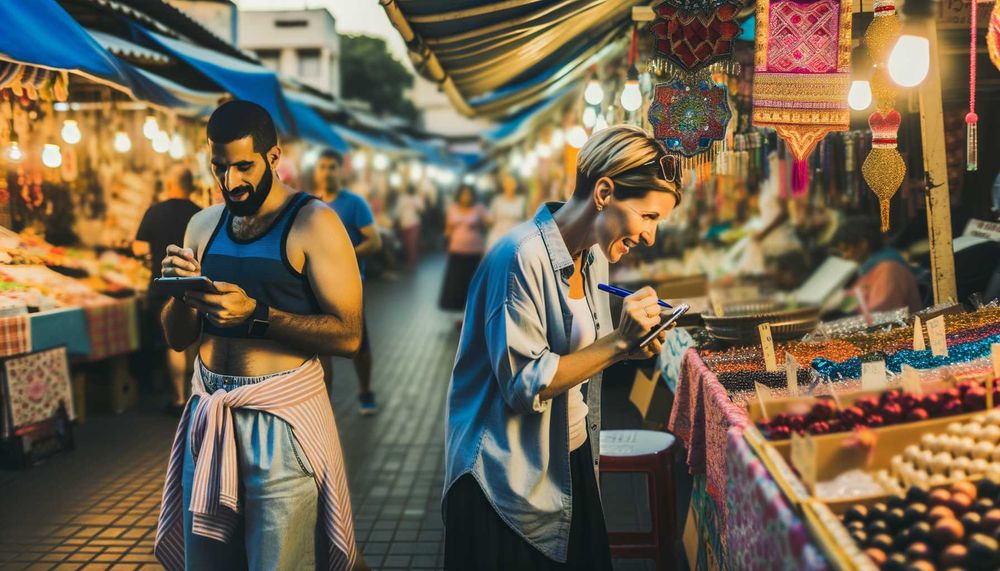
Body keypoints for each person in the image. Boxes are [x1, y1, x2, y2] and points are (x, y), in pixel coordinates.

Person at [443, 125, 682, 570]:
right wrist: (617, 343)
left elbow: (583, 358)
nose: (651, 236)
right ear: (605, 191)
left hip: (566, 460)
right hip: (505, 479)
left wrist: (630, 348)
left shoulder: (592, 256)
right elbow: (522, 384)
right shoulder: (520, 256)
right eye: (648, 216)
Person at [153, 101, 364, 570]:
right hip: (209, 420)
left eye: (243, 166)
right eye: (219, 168)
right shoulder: (203, 225)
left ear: (273, 158)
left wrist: (257, 316)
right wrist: (178, 291)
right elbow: (176, 338)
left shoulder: (315, 223)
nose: (231, 183)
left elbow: (349, 336)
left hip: (281, 428)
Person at [312, 148, 382, 415]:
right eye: (322, 166)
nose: (327, 171)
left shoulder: (354, 203)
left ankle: (365, 391)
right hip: (316, 285)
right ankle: (324, 406)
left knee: (357, 343)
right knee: (322, 346)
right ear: (316, 171)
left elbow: (375, 241)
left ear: (341, 170)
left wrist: (345, 255)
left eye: (332, 166)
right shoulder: (309, 204)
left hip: (349, 285)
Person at [133, 165, 201, 415]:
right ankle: (196, 393)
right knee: (194, 343)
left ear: (171, 185)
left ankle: (178, 398)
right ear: (191, 186)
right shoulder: (201, 215)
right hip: (196, 284)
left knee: (173, 345)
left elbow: (138, 248)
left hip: (164, 286)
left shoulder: (155, 212)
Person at [830, 216, 922, 313]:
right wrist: (842, 299)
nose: (845, 256)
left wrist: (843, 303)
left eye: (846, 249)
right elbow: (857, 296)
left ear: (863, 244)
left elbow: (882, 310)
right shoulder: (869, 269)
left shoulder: (889, 269)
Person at [439, 185, 487, 319]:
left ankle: (472, 313)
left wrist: (478, 225)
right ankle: (461, 315)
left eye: (469, 194)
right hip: (457, 251)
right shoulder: (453, 208)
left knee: (472, 283)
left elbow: (486, 225)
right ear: (459, 195)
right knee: (457, 284)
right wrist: (446, 241)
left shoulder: (479, 208)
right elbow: (447, 229)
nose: (466, 197)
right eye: (463, 194)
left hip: (474, 251)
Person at [485, 172, 527, 250]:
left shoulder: (522, 201)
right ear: (503, 185)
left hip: (515, 237)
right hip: (497, 237)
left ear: (516, 184)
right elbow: (490, 218)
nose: (509, 185)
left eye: (512, 183)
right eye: (507, 183)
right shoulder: (497, 200)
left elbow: (527, 218)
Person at [396, 184, 424, 269]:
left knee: (412, 242)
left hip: (414, 222)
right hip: (404, 223)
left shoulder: (417, 198)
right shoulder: (402, 198)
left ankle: (412, 261)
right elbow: (398, 210)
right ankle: (407, 259)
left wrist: (416, 206)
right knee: (406, 242)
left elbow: (421, 209)